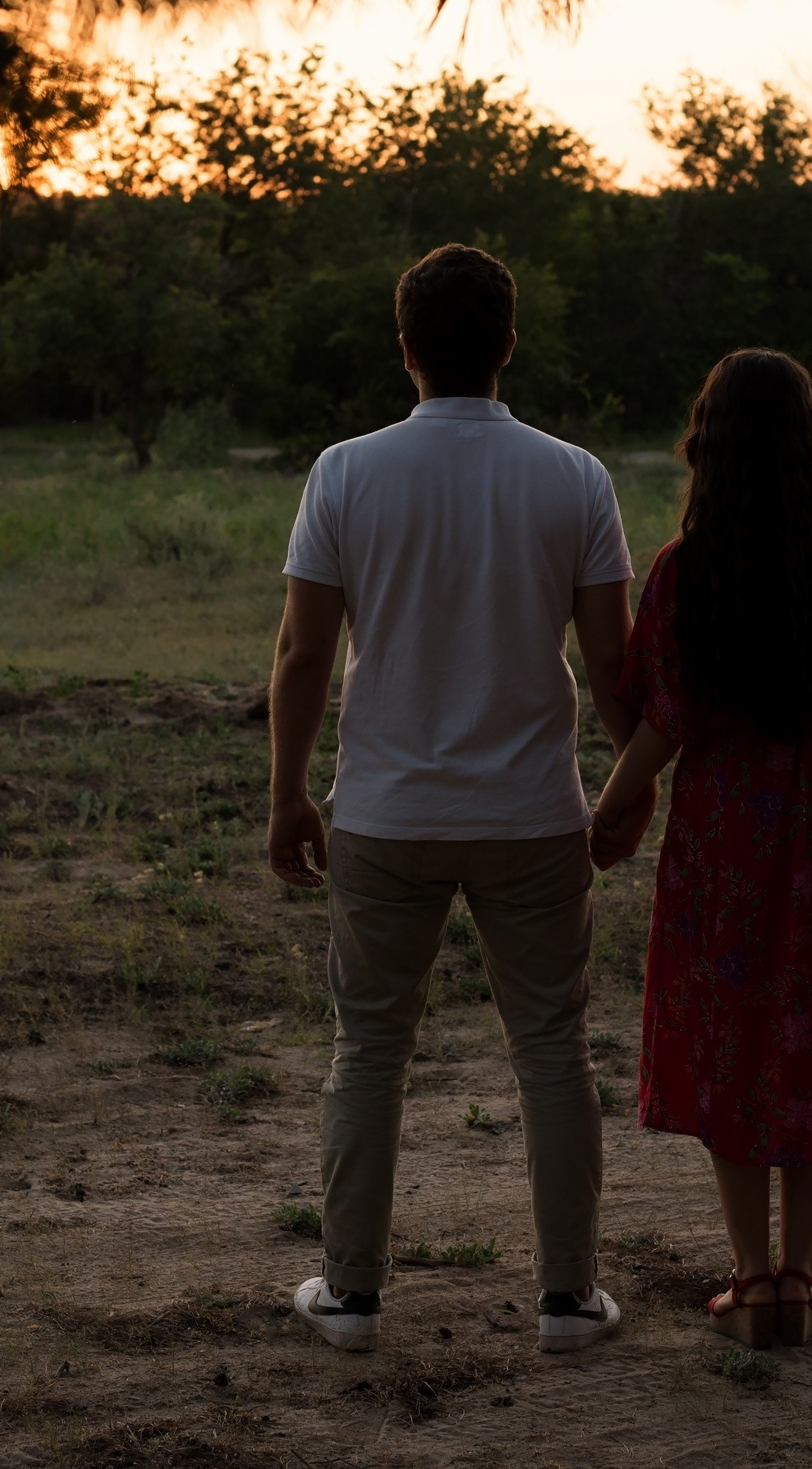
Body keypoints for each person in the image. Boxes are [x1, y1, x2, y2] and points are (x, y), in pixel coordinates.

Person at [266, 242, 652, 1356]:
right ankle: (568, 1302)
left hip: (383, 816)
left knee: (369, 1051)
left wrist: (290, 793)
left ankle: (349, 1298)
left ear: (406, 350)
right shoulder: (574, 477)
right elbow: (615, 663)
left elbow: (301, 654)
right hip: (534, 817)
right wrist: (629, 785)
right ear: (509, 348)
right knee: (552, 1051)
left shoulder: (345, 471)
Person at [588, 348, 812, 1350]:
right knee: (808, 1050)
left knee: (728, 1049)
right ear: (811, 447)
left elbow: (665, 721)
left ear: (707, 445)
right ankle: (800, 1282)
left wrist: (610, 809)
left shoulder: (688, 573)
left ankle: (750, 1275)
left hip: (719, 840)